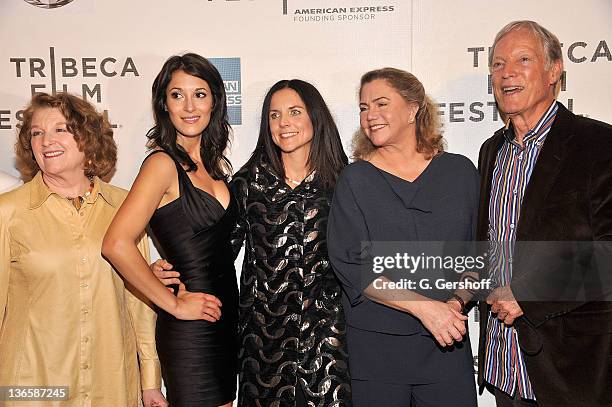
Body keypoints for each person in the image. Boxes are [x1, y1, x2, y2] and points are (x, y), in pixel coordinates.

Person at [477, 20, 612, 407]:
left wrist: (529, 293)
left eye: (523, 59)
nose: (507, 73)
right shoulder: (491, 152)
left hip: (572, 371)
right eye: (498, 64)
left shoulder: (599, 144)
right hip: (505, 364)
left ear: (555, 71)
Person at [0, 92, 166, 407]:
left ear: (87, 137)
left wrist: (150, 380)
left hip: (111, 384)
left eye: (60, 129)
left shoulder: (124, 207)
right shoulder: (7, 212)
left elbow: (139, 301)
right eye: (37, 133)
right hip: (32, 388)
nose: (46, 140)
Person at [327, 67, 479, 406]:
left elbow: (476, 256)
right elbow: (353, 266)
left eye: (381, 103)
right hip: (377, 350)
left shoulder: (460, 172)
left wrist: (453, 305)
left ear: (413, 109)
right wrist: (425, 308)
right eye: (364, 107)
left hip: (447, 344)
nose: (370, 116)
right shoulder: (355, 179)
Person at [103, 53, 238, 407]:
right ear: (164, 105)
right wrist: (174, 306)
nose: (189, 106)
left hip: (224, 323)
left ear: (215, 102)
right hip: (191, 328)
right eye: (177, 95)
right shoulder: (162, 164)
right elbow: (116, 243)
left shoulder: (214, 166)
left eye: (200, 94)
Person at [224, 79, 351, 407]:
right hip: (263, 343)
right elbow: (218, 252)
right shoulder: (247, 184)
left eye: (295, 112)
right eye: (274, 115)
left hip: (330, 338)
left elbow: (365, 257)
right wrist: (171, 268)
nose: (284, 123)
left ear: (315, 117)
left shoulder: (344, 182)